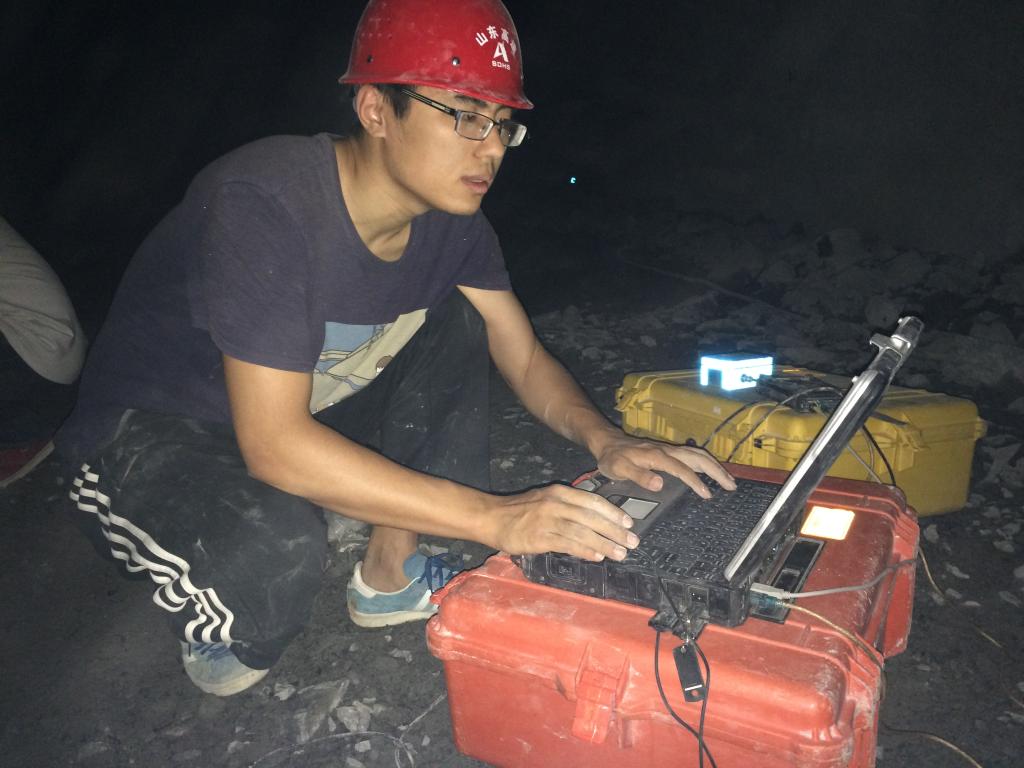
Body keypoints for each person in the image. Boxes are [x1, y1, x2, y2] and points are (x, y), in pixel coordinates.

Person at [56, 0, 735, 698]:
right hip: (157, 425)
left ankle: (387, 572)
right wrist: (495, 516)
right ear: (376, 109)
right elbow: (274, 444)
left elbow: (525, 357)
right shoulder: (265, 199)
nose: (491, 148)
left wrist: (606, 441)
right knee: (272, 572)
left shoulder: (454, 227)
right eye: (465, 115)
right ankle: (211, 573)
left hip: (305, 407)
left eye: (502, 123)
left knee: (462, 320)